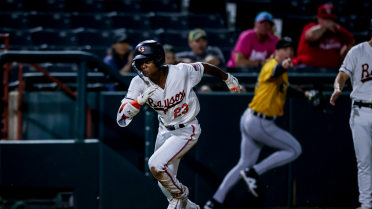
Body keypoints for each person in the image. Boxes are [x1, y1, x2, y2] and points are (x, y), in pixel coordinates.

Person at [116, 40, 240, 209]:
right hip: (164, 130)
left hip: (187, 129)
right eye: (139, 62)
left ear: (159, 59)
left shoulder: (181, 72)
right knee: (163, 182)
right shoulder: (138, 83)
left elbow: (205, 67)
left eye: (147, 61)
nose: (142, 66)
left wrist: (227, 78)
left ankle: (181, 194)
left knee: (156, 165)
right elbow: (122, 116)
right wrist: (138, 101)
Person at [204, 37, 305, 209]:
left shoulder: (279, 68)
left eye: (290, 49)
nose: (288, 52)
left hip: (250, 118)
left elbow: (285, 88)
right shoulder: (271, 65)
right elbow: (276, 70)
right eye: (284, 49)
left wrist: (306, 95)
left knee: (243, 163)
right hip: (260, 123)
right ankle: (254, 172)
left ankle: (214, 201)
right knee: (294, 149)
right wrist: (283, 65)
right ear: (276, 51)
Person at [329, 19, 372, 209]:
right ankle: (365, 205)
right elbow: (342, 76)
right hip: (361, 111)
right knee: (364, 162)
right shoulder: (357, 51)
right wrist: (338, 88)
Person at [293, 3, 354, 69]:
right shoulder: (310, 26)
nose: (328, 21)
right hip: (309, 70)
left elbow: (351, 41)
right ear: (318, 18)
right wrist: (324, 27)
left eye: (330, 19)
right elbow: (310, 37)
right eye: (324, 18)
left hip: (332, 72)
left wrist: (339, 29)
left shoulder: (338, 31)